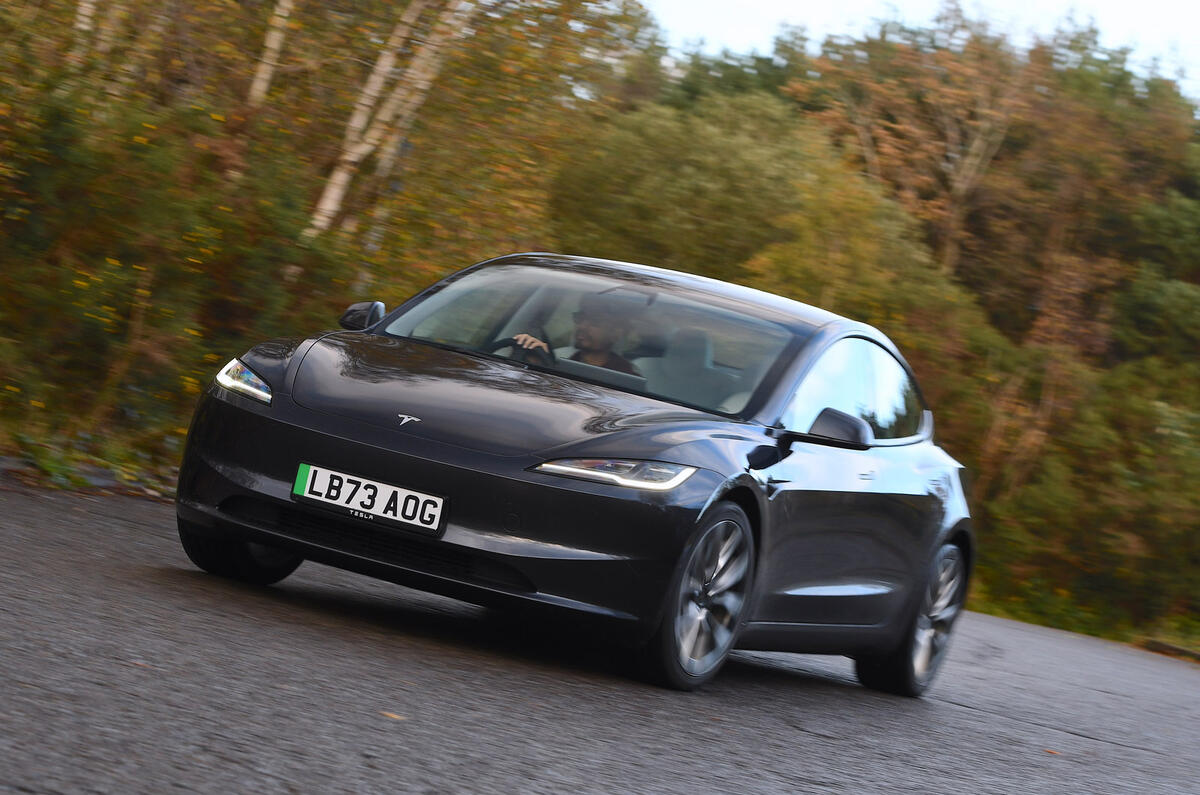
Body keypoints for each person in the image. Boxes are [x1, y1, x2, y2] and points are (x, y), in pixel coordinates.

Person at [513, 293, 640, 375]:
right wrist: (537, 364)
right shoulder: (557, 361)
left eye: (595, 321)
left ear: (616, 333)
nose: (582, 326)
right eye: (580, 318)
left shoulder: (627, 376)